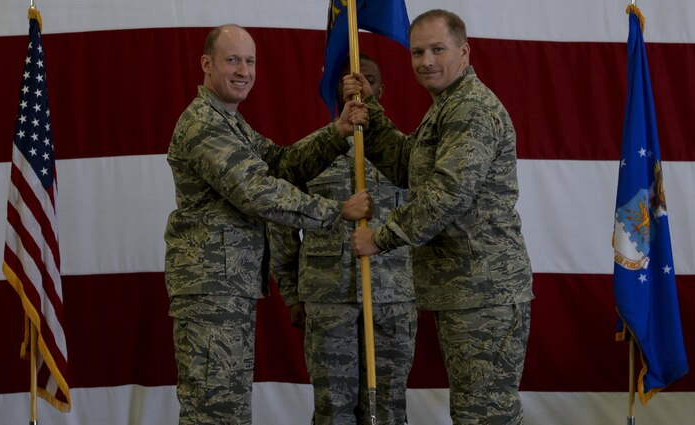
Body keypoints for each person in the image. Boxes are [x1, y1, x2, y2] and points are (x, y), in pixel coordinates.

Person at [164, 24, 373, 425]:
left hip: (227, 287)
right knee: (215, 410)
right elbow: (256, 191)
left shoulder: (229, 121)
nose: (243, 70)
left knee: (227, 407)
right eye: (232, 60)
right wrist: (335, 211)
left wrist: (337, 133)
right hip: (212, 289)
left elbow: (279, 164)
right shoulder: (203, 124)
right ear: (207, 64)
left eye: (250, 61)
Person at [347, 10, 534, 425]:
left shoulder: (469, 109)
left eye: (437, 49)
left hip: (484, 291)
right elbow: (407, 166)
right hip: (467, 289)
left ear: (464, 51)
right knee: (477, 413)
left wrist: (381, 237)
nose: (426, 61)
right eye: (417, 52)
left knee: (484, 416)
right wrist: (372, 114)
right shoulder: (447, 106)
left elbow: (448, 194)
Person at [269, 55, 417, 425]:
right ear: (338, 89)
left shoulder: (405, 155)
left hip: (392, 299)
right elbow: (282, 222)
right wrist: (291, 291)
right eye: (350, 79)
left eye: (368, 79)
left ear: (380, 89)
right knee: (333, 410)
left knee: (387, 409)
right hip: (327, 299)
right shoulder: (313, 152)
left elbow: (427, 218)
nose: (359, 85)